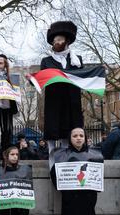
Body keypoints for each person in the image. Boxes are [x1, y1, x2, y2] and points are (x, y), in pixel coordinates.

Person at [51, 128, 101, 215]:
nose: (78, 138)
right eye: (75, 136)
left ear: (85, 138)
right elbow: (55, 174)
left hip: (87, 197)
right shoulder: (62, 155)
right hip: (71, 196)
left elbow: (97, 175)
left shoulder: (94, 155)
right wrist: (64, 189)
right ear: (70, 138)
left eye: (81, 135)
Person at [41, 21, 84, 152]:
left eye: (59, 40)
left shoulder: (77, 60)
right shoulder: (46, 61)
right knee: (52, 136)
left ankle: (66, 163)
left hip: (71, 102)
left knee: (68, 135)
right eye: (54, 41)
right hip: (53, 103)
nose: (56, 43)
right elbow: (42, 79)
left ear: (67, 41)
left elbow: (83, 78)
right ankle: (52, 165)